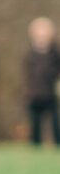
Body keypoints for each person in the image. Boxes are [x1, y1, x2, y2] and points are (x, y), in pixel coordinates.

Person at [23, 17, 60, 146]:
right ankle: (35, 144)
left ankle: (57, 142)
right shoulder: (30, 53)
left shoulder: (55, 52)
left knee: (55, 120)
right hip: (35, 92)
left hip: (50, 91)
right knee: (35, 121)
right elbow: (27, 73)